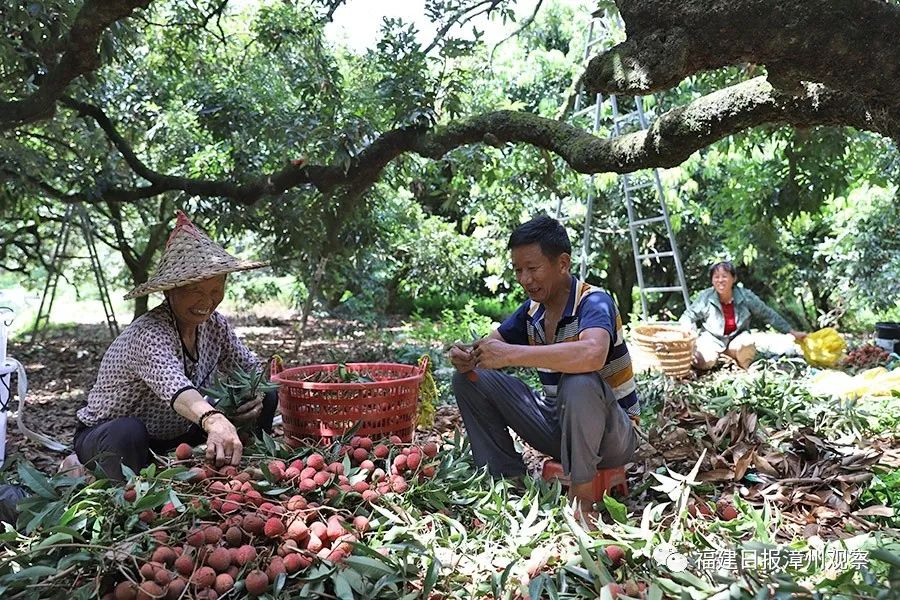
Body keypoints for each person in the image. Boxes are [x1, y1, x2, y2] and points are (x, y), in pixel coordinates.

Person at [450, 215, 638, 514]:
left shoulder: (594, 302)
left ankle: (583, 498)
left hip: (613, 437)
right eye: (518, 270)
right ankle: (507, 481)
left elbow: (592, 354)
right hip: (560, 428)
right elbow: (489, 349)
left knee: (579, 381)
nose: (525, 279)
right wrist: (468, 357)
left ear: (562, 263)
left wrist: (511, 355)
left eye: (533, 268)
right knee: (469, 380)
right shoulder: (531, 311)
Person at [72, 211, 277, 480]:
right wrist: (214, 420)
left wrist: (257, 396)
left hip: (179, 432)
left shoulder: (214, 324)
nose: (207, 301)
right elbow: (176, 389)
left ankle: (248, 464)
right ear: (170, 291)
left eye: (215, 290)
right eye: (195, 291)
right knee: (126, 432)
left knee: (263, 393)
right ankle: (115, 487)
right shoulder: (149, 333)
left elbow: (250, 369)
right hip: (114, 437)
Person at [679, 261, 807, 370]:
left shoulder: (745, 296)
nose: (720, 280)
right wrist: (687, 329)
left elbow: (767, 314)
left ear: (733, 279)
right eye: (716, 277)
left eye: (724, 276)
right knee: (702, 361)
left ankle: (738, 362)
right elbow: (688, 315)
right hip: (712, 339)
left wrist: (791, 331)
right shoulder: (706, 297)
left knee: (747, 345)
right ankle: (719, 356)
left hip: (737, 338)